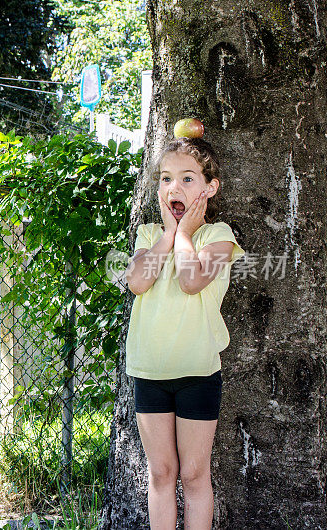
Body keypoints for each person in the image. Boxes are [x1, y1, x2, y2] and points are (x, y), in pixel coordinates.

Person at [124, 134, 245, 529]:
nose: (174, 187)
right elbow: (138, 282)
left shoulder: (219, 237)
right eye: (165, 179)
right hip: (150, 373)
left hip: (197, 374)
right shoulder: (147, 236)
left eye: (188, 179)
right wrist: (167, 234)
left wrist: (186, 234)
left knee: (194, 475)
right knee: (160, 474)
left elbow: (191, 280)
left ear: (210, 188)